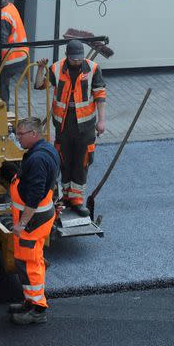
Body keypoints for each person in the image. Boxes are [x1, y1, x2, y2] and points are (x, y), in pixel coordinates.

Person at [34, 39, 106, 217]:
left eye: (79, 58)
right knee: (64, 160)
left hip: (86, 126)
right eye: (74, 59)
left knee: (82, 161)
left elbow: (100, 95)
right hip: (64, 125)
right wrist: (41, 68)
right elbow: (39, 85)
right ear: (67, 56)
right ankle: (65, 196)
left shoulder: (93, 69)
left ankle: (77, 200)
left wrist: (102, 120)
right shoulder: (57, 69)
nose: (77, 61)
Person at [5, 116, 59, 325]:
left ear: (34, 134)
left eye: (21, 135)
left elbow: (34, 196)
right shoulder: (46, 150)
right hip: (36, 219)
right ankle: (29, 300)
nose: (18, 139)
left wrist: (21, 224)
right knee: (23, 261)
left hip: (32, 222)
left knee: (30, 263)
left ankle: (37, 309)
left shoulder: (37, 159)